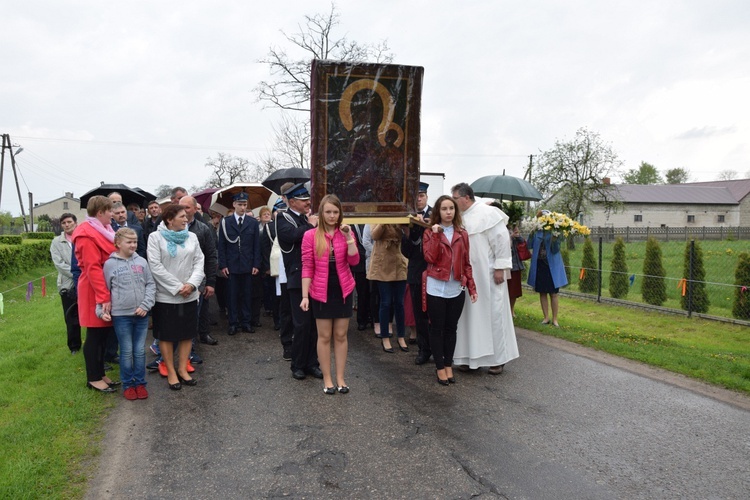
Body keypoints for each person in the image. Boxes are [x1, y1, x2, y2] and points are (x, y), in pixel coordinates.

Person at [451, 183, 519, 375]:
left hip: (488, 274)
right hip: (468, 276)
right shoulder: (460, 218)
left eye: (455, 198)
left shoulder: (488, 214)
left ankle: (498, 359)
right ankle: (468, 357)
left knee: (493, 315)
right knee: (468, 317)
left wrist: (500, 267)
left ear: (466, 197)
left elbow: (502, 240)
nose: (453, 203)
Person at [300, 195, 359, 394]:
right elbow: (307, 266)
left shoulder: (346, 233)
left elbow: (354, 261)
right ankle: (327, 378)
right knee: (324, 336)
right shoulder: (310, 235)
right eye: (328, 212)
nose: (332, 216)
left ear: (340, 213)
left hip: (343, 288)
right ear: (321, 213)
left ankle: (341, 377)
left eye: (335, 212)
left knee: (341, 335)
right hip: (320, 290)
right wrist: (305, 296)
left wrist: (349, 237)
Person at [147, 204, 205, 390]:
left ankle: (182, 369)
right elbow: (155, 266)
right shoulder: (155, 237)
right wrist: (178, 287)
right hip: (166, 296)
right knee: (167, 334)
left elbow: (199, 261)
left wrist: (192, 284)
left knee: (187, 333)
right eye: (181, 216)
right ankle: (170, 371)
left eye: (186, 216)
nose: (186, 219)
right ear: (169, 220)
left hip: (189, 294)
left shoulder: (192, 237)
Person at [423, 195, 477, 385]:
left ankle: (448, 364)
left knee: (451, 328)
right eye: (444, 209)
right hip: (436, 286)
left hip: (456, 287)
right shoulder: (430, 232)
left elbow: (466, 262)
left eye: (451, 208)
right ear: (438, 211)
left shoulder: (462, 233)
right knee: (437, 328)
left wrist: (471, 287)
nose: (448, 212)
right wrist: (437, 235)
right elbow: (430, 257)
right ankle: (439, 367)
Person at [99, 228, 156, 400]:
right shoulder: (109, 265)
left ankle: (140, 383)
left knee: (139, 350)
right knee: (126, 351)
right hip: (121, 316)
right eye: (129, 242)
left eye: (135, 242)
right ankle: (128, 384)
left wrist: (146, 305)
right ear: (117, 243)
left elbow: (150, 285)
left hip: (141, 314)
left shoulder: (142, 262)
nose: (133, 245)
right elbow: (103, 291)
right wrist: (100, 311)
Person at [71, 195, 119, 393]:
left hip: (104, 287)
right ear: (100, 213)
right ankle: (93, 378)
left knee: (103, 334)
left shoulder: (104, 229)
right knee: (95, 335)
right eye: (110, 211)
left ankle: (100, 374)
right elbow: (92, 268)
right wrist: (103, 297)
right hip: (94, 289)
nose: (113, 214)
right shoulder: (86, 234)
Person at [277, 182, 323, 380]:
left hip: (315, 276)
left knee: (314, 324)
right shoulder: (283, 217)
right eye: (304, 200)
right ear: (292, 202)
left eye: (308, 199)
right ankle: (297, 364)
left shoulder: (305, 218)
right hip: (297, 277)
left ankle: (312, 362)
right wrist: (311, 225)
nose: (308, 203)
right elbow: (292, 236)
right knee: (302, 324)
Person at [217, 192, 261, 335]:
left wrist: (256, 264)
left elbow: (256, 246)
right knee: (232, 295)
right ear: (234, 204)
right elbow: (221, 245)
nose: (243, 207)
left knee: (247, 295)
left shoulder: (253, 222)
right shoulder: (226, 222)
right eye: (240, 204)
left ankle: (246, 322)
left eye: (245, 205)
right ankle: (233, 322)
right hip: (232, 265)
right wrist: (223, 265)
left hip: (248, 265)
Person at [180, 196, 219, 346]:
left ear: (196, 209)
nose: (183, 210)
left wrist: (210, 282)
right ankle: (187, 346)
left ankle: (202, 335)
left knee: (202, 309)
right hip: (178, 278)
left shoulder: (203, 228)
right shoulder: (170, 227)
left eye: (187, 208)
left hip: (199, 278)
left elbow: (210, 255)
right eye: (180, 207)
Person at [402, 181, 432, 364]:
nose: (418, 199)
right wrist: (406, 233)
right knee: (419, 315)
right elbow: (406, 252)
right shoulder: (407, 217)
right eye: (415, 196)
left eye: (421, 195)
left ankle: (438, 349)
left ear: (427, 196)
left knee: (435, 314)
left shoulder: (436, 214)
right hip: (415, 271)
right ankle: (423, 349)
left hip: (434, 272)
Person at [368, 223, 409, 353]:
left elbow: (407, 236)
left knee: (399, 303)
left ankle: (401, 336)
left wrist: (404, 227)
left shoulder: (401, 216)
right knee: (385, 302)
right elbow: (374, 235)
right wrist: (384, 222)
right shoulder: (379, 216)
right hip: (383, 264)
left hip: (399, 262)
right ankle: (385, 336)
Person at [527, 210, 568, 327]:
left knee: (553, 293)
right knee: (542, 292)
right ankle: (546, 317)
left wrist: (555, 238)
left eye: (545, 218)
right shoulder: (536, 232)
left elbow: (555, 250)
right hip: (540, 265)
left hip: (552, 267)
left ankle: (555, 319)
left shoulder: (554, 232)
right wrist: (530, 234)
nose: (542, 220)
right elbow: (529, 245)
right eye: (541, 218)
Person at [50, 212, 82, 354]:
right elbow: (59, 264)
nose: (67, 225)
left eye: (69, 222)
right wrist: (77, 274)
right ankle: (74, 345)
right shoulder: (57, 242)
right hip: (68, 284)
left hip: (84, 281)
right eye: (64, 223)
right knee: (71, 316)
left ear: (75, 222)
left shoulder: (82, 237)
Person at [508, 224, 527, 318]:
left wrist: (517, 234)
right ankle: (506, 310)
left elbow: (522, 242)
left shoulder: (515, 228)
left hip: (516, 265)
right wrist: (510, 237)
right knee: (506, 290)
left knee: (514, 291)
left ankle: (511, 309)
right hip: (506, 265)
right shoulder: (502, 228)